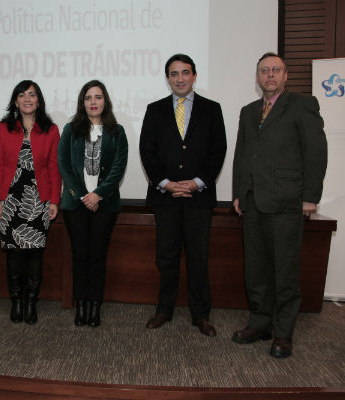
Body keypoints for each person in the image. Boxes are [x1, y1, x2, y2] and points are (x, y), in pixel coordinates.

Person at [232, 52, 327, 358]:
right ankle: (260, 324)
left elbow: (316, 152)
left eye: (275, 70)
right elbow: (242, 154)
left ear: (286, 75)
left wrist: (311, 196)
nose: (269, 74)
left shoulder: (302, 105)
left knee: (285, 272)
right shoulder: (248, 111)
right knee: (256, 270)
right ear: (257, 77)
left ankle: (283, 333)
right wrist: (238, 192)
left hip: (287, 203)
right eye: (264, 70)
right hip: (253, 203)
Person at [139, 54, 227, 336]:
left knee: (198, 258)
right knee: (166, 257)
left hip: (198, 199)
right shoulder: (154, 110)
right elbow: (147, 151)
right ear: (167, 78)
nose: (180, 79)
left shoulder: (212, 109)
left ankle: (201, 315)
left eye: (185, 72)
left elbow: (218, 151)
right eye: (174, 74)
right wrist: (165, 183)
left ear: (194, 76)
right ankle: (164, 309)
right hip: (165, 198)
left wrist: (197, 182)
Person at [0, 80, 61, 325]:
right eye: (22, 95)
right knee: (14, 253)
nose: (27, 99)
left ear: (38, 100)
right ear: (16, 101)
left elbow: (54, 167)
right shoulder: (2, 128)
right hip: (10, 199)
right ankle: (16, 301)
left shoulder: (51, 129)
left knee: (35, 253)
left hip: (39, 200)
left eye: (31, 94)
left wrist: (54, 200)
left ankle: (31, 302)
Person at [58, 80, 128, 327]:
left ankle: (95, 306)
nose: (93, 102)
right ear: (82, 102)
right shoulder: (71, 129)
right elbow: (64, 164)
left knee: (98, 256)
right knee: (80, 256)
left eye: (98, 97)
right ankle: (81, 306)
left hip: (105, 205)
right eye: (88, 98)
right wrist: (81, 195)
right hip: (75, 205)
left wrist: (98, 195)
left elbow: (118, 167)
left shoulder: (117, 131)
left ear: (105, 101)